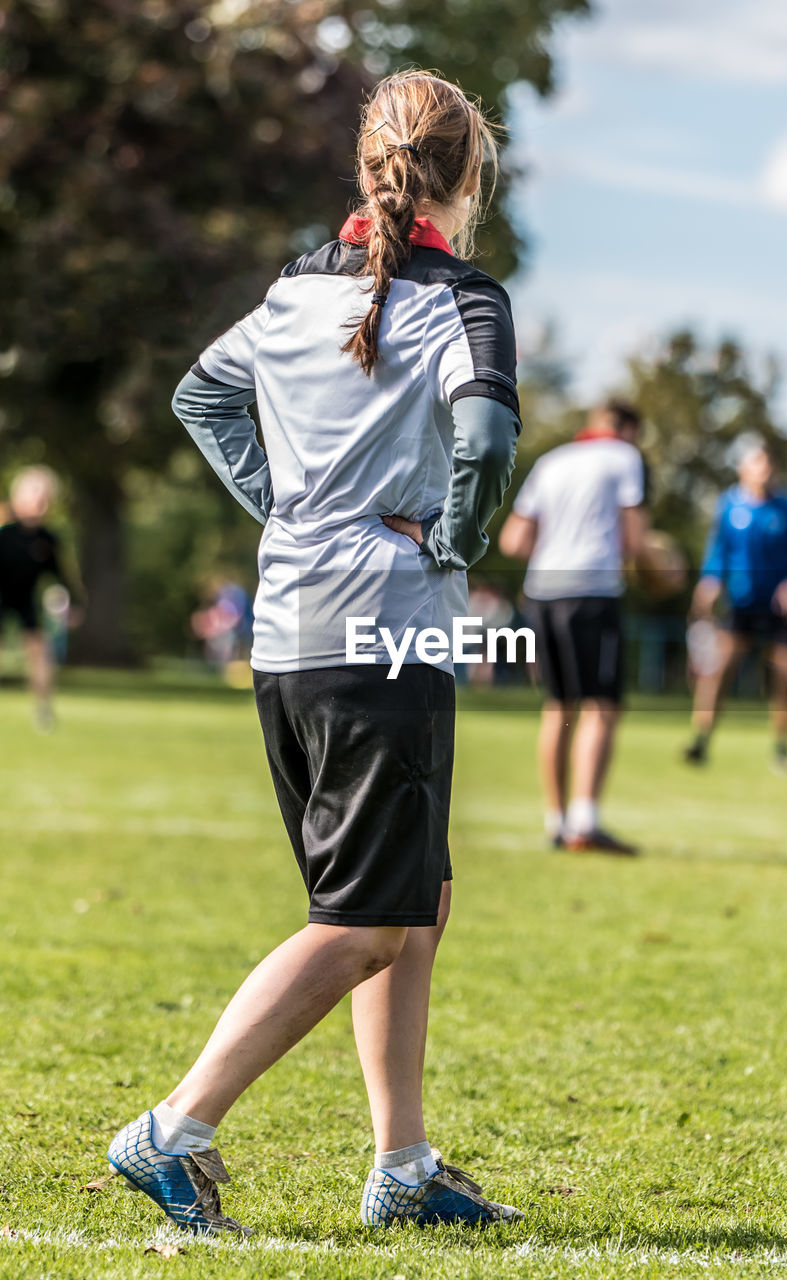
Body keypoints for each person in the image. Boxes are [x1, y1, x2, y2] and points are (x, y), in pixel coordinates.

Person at [107, 71, 524, 1235]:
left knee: (414, 900)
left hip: (295, 639)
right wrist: (455, 536)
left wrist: (282, 507)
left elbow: (203, 394)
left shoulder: (294, 288)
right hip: (380, 637)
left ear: (366, 167)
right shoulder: (467, 301)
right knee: (362, 919)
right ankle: (173, 1128)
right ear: (468, 176)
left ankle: (402, 1165)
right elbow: (485, 432)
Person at [500, 399, 647, 854]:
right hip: (592, 591)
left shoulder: (551, 461)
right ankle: (586, 820)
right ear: (627, 429)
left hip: (543, 591)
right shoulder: (625, 457)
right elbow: (635, 542)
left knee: (558, 706)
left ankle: (556, 821)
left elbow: (512, 541)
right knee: (601, 705)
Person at [683, 440, 787, 770]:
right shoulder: (729, 506)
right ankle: (700, 742)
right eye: (758, 463)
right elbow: (719, 549)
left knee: (786, 674)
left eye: (769, 464)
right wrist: (711, 580)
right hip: (740, 604)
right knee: (719, 670)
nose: (765, 470)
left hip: (779, 608)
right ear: (743, 469)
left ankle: (782, 749)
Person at [0, 466, 81, 730]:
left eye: (46, 497)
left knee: (39, 652)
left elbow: (62, 575)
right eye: (35, 495)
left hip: (24, 599)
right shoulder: (5, 532)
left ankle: (43, 711)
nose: (41, 502)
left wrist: (77, 604)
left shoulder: (48, 540)